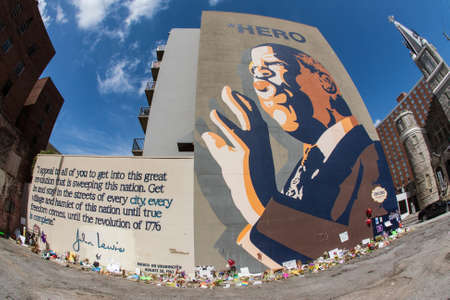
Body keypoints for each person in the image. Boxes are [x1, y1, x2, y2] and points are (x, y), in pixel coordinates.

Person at [202, 43, 396, 269]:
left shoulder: (371, 159)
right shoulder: (303, 168)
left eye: (269, 70)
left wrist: (257, 200)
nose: (259, 85)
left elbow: (348, 247)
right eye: (255, 75)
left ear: (326, 82)